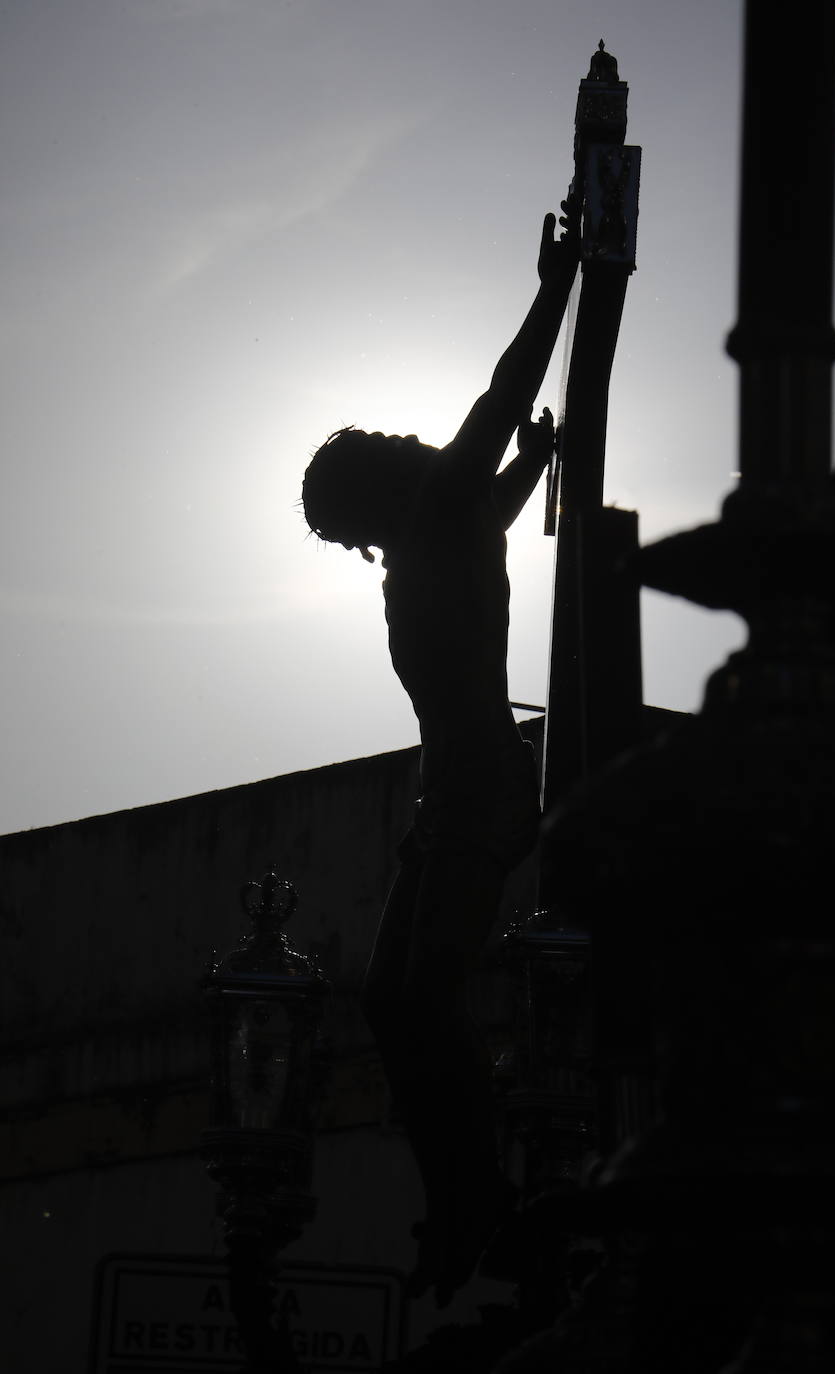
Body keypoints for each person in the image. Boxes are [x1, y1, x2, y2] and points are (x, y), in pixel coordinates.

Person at [302, 200, 579, 1304]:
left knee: (425, 997)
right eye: (389, 448)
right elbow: (502, 446)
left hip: (484, 789)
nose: (413, 442)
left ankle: (479, 1193)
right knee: (387, 1000)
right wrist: (536, 455)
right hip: (446, 799)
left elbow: (502, 406)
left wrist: (558, 288)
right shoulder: (442, 524)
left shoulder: (446, 510)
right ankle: (460, 1190)